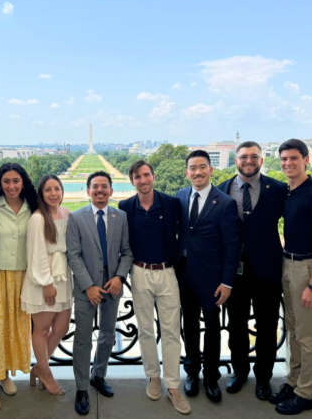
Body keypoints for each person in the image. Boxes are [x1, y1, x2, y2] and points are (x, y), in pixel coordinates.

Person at [216, 142, 288, 401]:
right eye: (244, 157)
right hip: (234, 271)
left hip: (267, 270)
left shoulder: (279, 189)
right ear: (236, 160)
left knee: (267, 327)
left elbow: (297, 215)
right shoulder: (221, 189)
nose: (248, 161)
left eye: (253, 156)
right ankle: (239, 371)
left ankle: (263, 378)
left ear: (261, 159)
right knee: (236, 326)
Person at [118, 160, 190, 415]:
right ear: (132, 180)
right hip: (139, 273)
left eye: (146, 175)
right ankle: (153, 377)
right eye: (138, 177)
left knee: (171, 331)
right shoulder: (125, 206)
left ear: (153, 176)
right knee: (146, 330)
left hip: (167, 272)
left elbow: (184, 235)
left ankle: (173, 386)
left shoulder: (171, 204)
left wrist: (176, 263)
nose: (143, 180)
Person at [271, 138, 312, 415]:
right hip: (288, 263)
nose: (288, 163)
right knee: (293, 329)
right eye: (284, 159)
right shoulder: (289, 192)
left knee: (307, 336)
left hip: (307, 268)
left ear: (306, 159)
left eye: (293, 158)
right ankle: (294, 381)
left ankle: (306, 392)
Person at [66, 171, 133, 416]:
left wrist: (120, 277)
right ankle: (82, 388)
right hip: (87, 289)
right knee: (83, 339)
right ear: (88, 191)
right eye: (95, 186)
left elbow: (127, 252)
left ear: (111, 191)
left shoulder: (121, 216)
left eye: (104, 186)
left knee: (107, 334)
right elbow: (73, 254)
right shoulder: (76, 217)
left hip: (112, 287)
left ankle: (98, 375)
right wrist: (88, 285)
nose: (100, 190)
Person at [176, 150, 239, 403]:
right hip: (184, 276)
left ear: (211, 170)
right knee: (189, 326)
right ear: (187, 172)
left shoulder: (225, 203)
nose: (198, 172)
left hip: (213, 280)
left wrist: (227, 282)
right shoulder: (180, 196)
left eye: (202, 167)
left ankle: (212, 377)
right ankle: (192, 372)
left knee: (213, 329)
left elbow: (232, 246)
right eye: (193, 168)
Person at [0, 163, 38, 412]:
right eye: (6, 181)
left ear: (23, 182)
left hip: (22, 275)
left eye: (16, 181)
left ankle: (4, 374)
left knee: (14, 328)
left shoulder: (33, 207)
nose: (11, 186)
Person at [21, 174, 72, 396]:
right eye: (48, 190)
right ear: (41, 194)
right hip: (44, 279)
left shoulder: (67, 213)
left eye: (57, 189)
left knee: (61, 328)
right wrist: (46, 283)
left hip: (64, 278)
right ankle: (46, 373)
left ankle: (39, 368)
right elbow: (37, 254)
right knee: (41, 330)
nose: (53, 193)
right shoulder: (38, 218)